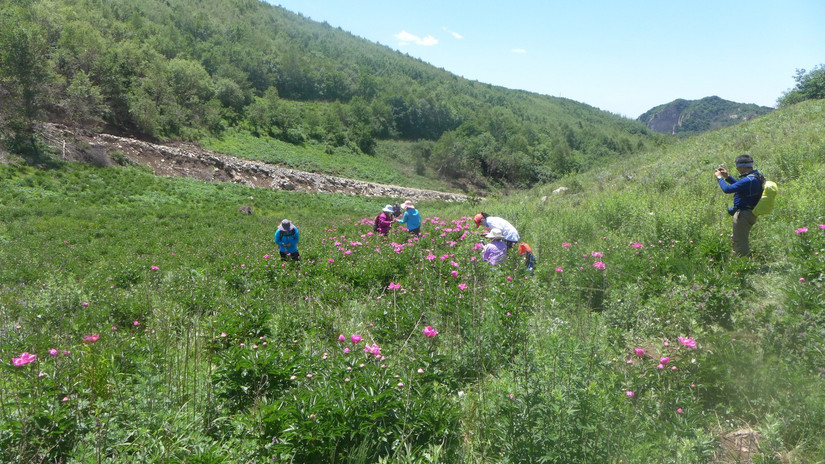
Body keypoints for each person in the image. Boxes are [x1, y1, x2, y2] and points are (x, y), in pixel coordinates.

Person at [715, 154, 765, 257]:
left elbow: (727, 189)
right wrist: (727, 177)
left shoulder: (748, 179)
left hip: (743, 214)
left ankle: (744, 262)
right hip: (751, 212)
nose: (737, 168)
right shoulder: (755, 177)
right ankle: (741, 258)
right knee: (740, 238)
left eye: (737, 165)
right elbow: (741, 186)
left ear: (742, 166)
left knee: (740, 242)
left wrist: (719, 178)